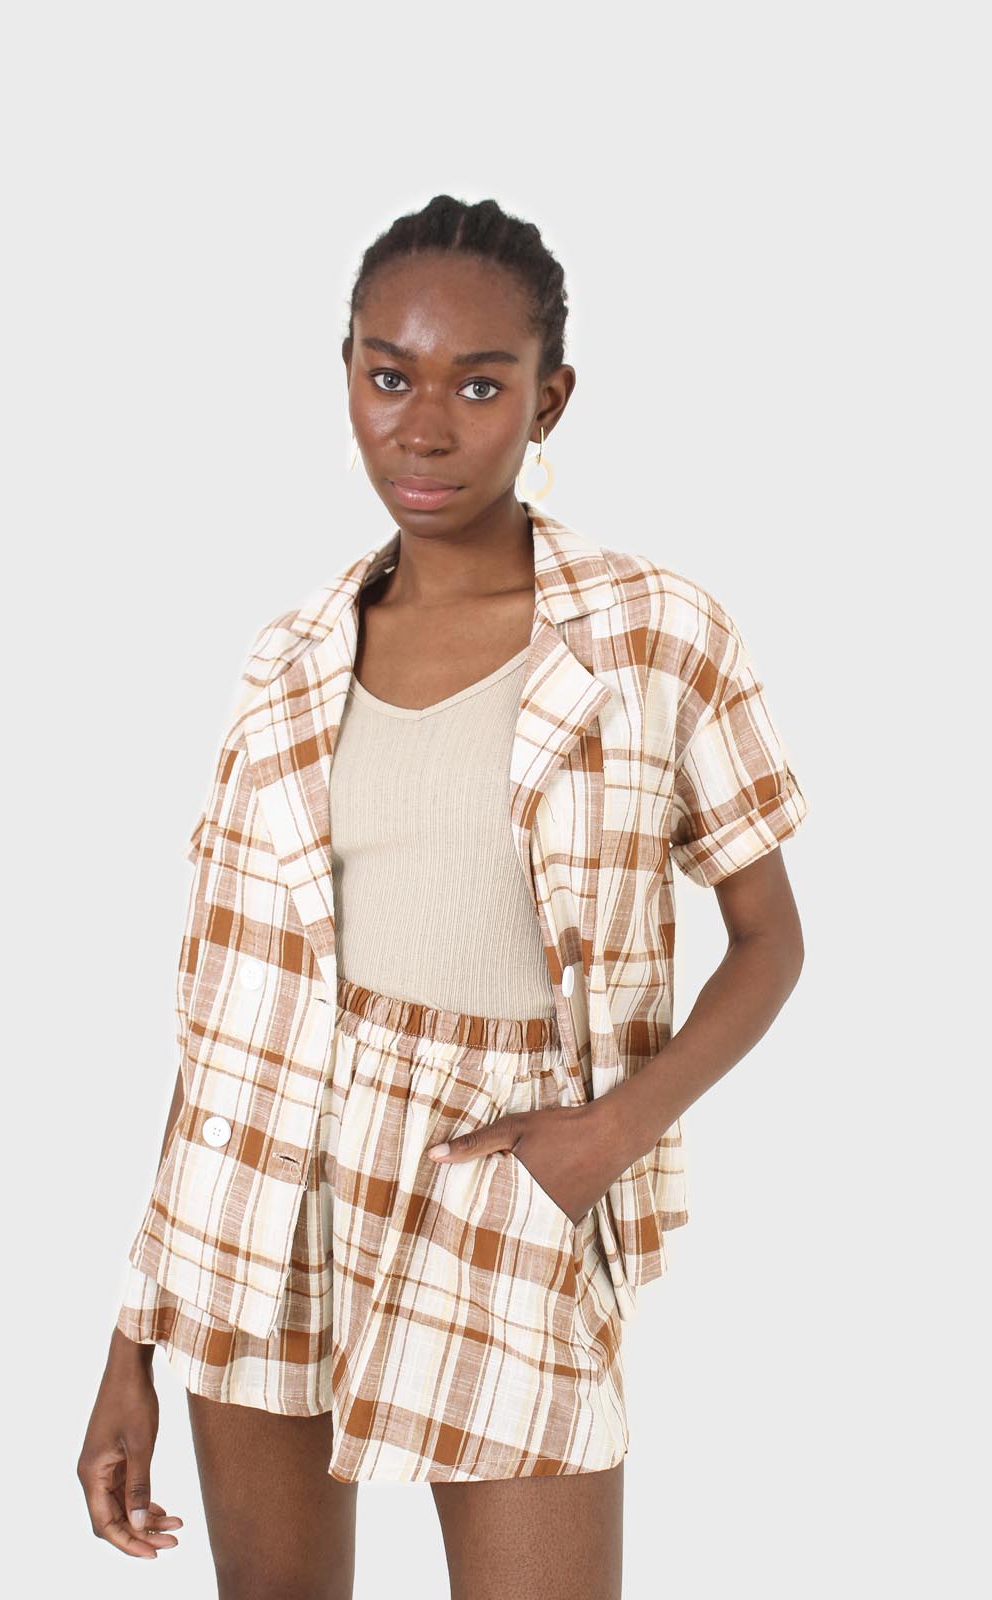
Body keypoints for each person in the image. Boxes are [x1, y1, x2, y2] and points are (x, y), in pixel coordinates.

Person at [78, 193, 809, 1600]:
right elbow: (227, 1016)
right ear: (347, 376)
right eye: (389, 376)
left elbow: (770, 939)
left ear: (551, 399)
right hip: (264, 1192)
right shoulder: (287, 660)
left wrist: (608, 1136)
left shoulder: (655, 633)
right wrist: (131, 1337)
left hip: (506, 1172)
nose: (423, 428)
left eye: (479, 386)